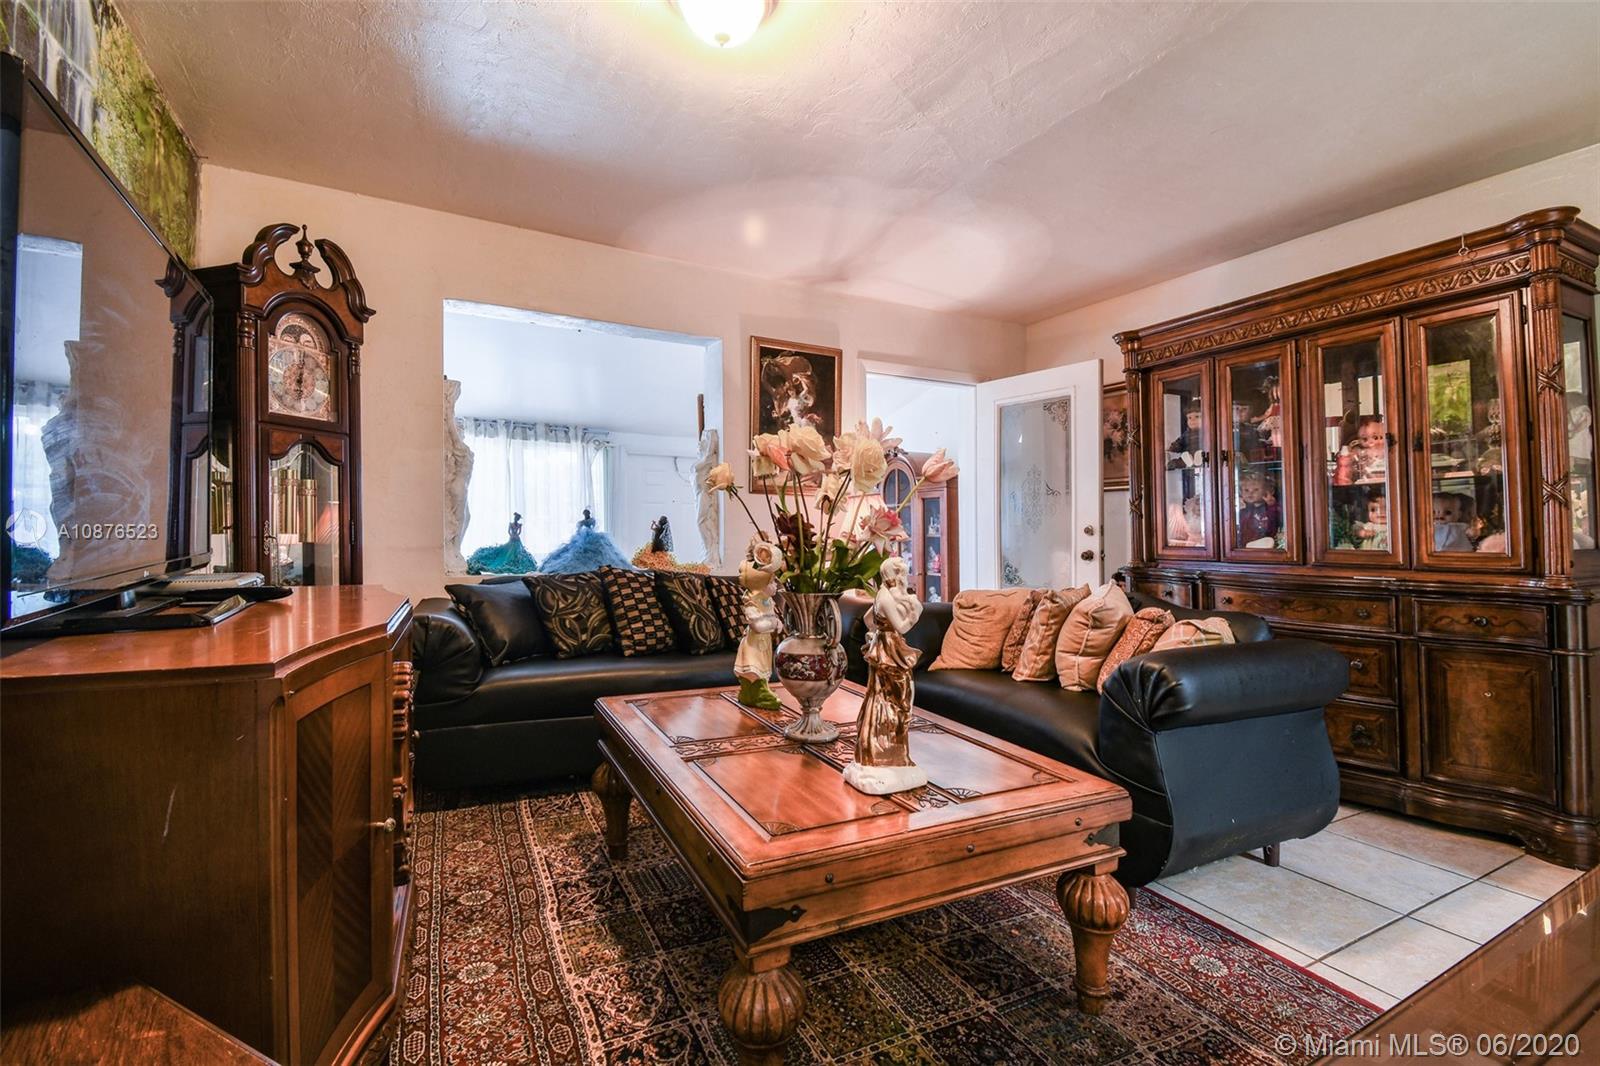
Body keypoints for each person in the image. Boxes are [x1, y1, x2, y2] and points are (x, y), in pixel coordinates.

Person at [843, 557, 928, 795]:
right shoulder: (886, 597)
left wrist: (876, 632)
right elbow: (902, 627)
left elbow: (868, 619)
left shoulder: (884, 595)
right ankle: (882, 750)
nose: (906, 578)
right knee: (895, 696)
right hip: (889, 648)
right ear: (895, 575)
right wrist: (916, 612)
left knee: (887, 695)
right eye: (904, 574)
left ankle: (886, 752)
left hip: (887, 645)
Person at [1235, 470, 1282, 545]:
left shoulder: (1271, 507)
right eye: (1246, 490)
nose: (1250, 493)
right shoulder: (1243, 509)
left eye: (1256, 489)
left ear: (1267, 491)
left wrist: (1272, 505)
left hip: (1267, 546)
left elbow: (1277, 521)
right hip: (1244, 547)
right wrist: (1238, 508)